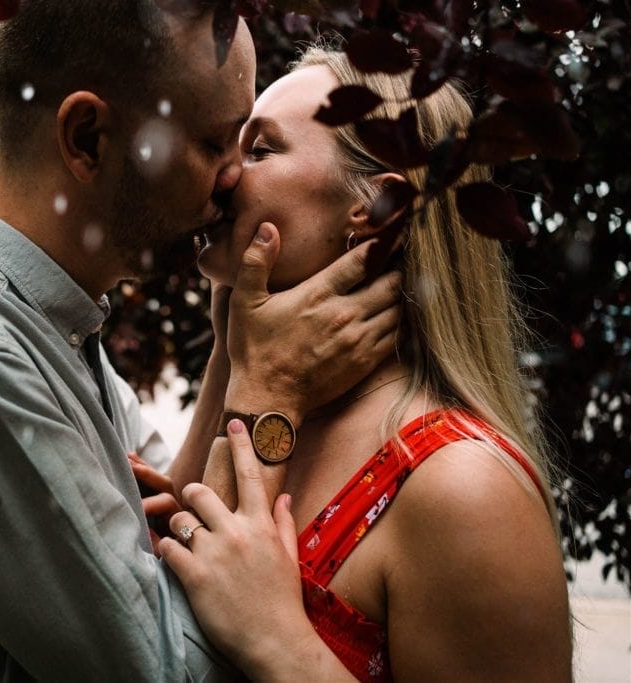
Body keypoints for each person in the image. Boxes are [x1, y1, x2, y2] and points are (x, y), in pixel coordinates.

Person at [0, 5, 403, 681]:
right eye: (215, 144)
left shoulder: (54, 326)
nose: (233, 181)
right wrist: (269, 387)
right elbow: (174, 666)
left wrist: (234, 349)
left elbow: (171, 533)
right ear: (89, 138)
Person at [156, 47, 573, 682]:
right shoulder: (270, 396)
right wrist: (232, 348)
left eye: (260, 150)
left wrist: (281, 645)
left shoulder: (461, 488)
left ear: (378, 209)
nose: (222, 170)